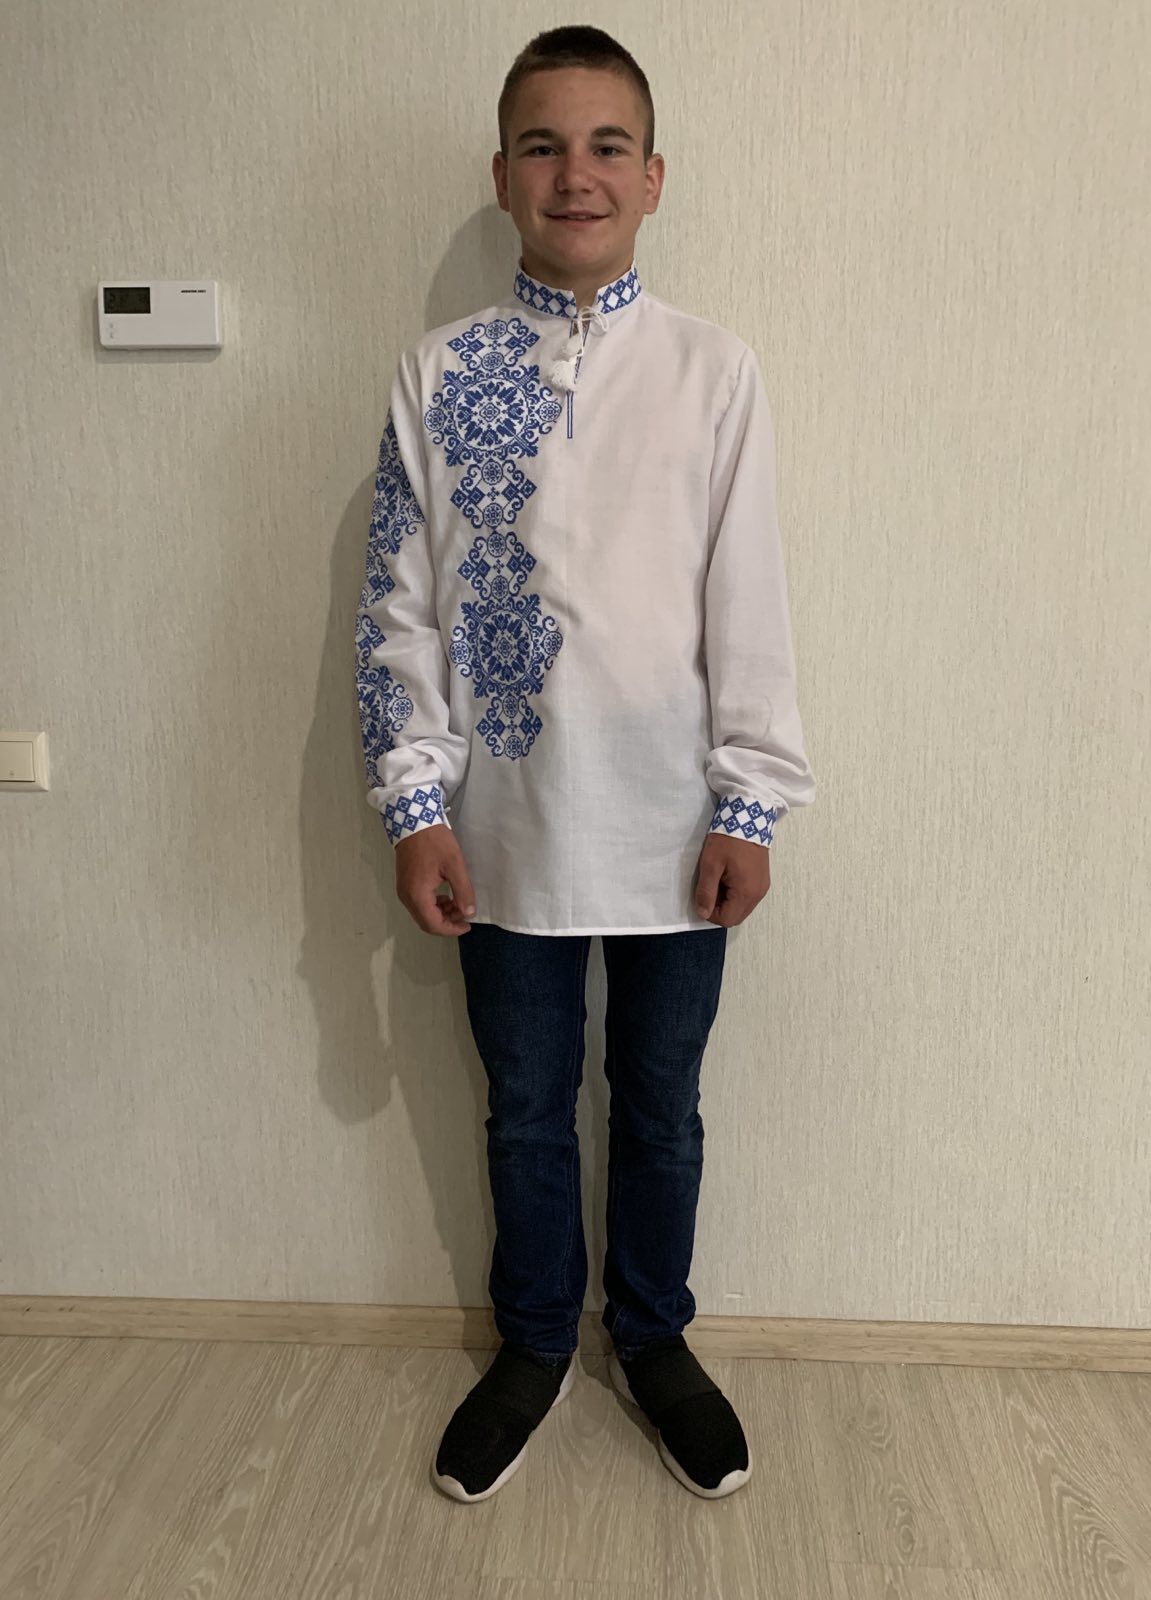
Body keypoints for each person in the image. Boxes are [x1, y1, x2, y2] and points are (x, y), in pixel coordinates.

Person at [354, 25, 816, 1503]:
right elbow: (401, 604)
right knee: (525, 1106)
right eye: (544, 146)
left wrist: (751, 797)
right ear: (501, 175)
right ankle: (538, 1340)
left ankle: (655, 1339)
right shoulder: (437, 373)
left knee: (661, 1106)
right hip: (504, 827)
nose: (576, 174)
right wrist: (416, 802)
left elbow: (749, 600)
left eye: (608, 145)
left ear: (653, 176)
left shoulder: (713, 371)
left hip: (679, 824)